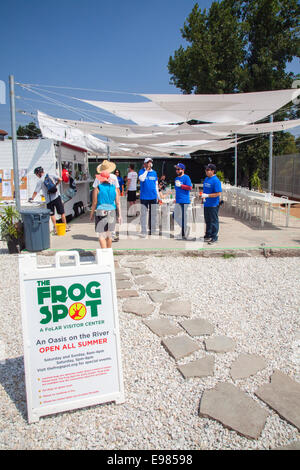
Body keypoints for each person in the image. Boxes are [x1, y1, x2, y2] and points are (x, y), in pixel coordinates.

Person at [30, 166, 70, 234]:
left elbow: (36, 191)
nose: (36, 176)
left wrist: (32, 198)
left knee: (52, 214)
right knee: (62, 212)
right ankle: (65, 226)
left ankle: (55, 229)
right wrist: (55, 185)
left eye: (36, 174)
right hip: (57, 197)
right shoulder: (51, 175)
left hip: (49, 200)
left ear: (38, 173)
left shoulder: (40, 181)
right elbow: (60, 179)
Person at [90, 171, 121, 248]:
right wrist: (119, 215)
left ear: (101, 179)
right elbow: (118, 202)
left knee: (101, 235)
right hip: (112, 211)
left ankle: (104, 254)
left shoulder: (97, 188)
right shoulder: (114, 188)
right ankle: (109, 254)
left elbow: (94, 203)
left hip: (101, 211)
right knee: (109, 235)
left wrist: (91, 214)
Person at [201, 163, 222, 244]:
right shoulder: (206, 179)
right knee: (207, 220)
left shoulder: (216, 180)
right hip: (206, 203)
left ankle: (214, 237)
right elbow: (205, 190)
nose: (206, 171)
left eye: (208, 170)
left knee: (214, 220)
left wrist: (207, 195)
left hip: (213, 204)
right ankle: (208, 234)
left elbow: (218, 193)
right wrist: (203, 198)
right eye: (206, 170)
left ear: (212, 171)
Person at [138, 158, 159, 237]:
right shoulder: (141, 171)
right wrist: (146, 170)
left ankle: (152, 230)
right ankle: (144, 231)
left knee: (153, 214)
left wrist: (158, 196)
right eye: (148, 162)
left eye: (150, 162)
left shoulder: (154, 173)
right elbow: (142, 179)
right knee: (143, 215)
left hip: (153, 196)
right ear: (144, 164)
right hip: (144, 197)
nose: (149, 164)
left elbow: (156, 185)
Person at [174, 163, 193, 239]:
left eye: (178, 169)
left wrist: (181, 185)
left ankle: (183, 233)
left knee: (183, 217)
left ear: (183, 170)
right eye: (176, 169)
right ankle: (185, 228)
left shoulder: (186, 177)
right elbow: (176, 190)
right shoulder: (176, 178)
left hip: (184, 200)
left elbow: (190, 187)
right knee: (175, 215)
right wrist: (175, 198)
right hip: (178, 200)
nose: (177, 171)